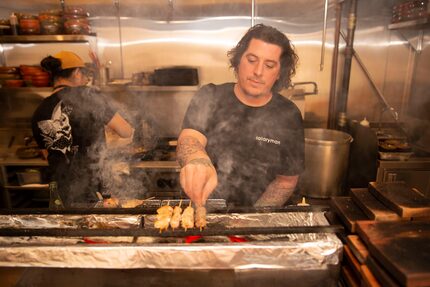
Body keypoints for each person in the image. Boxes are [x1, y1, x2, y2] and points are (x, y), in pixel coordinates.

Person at [177, 24, 304, 208]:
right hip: (202, 212)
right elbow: (189, 138)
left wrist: (252, 220)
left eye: (269, 65)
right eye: (252, 60)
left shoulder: (289, 115)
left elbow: (286, 180)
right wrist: (196, 159)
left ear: (279, 73)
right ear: (238, 61)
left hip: (255, 219)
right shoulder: (210, 96)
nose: (258, 72)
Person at [32, 51, 134, 207]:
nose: (86, 79)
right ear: (77, 73)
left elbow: (49, 154)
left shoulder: (40, 110)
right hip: (93, 190)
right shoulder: (88, 97)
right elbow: (125, 131)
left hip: (61, 195)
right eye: (85, 74)